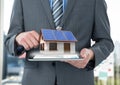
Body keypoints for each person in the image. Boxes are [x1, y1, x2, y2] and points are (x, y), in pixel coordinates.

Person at [5, 0, 114, 85]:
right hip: (35, 80)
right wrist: (18, 39)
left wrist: (92, 54)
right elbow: (9, 40)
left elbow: (106, 41)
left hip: (77, 80)